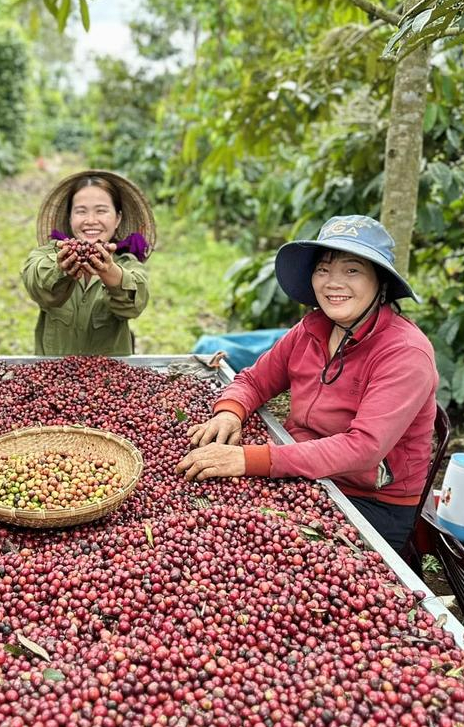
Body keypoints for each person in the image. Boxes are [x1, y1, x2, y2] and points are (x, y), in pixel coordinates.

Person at [177, 215, 438, 551]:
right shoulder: (312, 327)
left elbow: (362, 449)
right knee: (208, 527)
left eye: (352, 270)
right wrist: (229, 412)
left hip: (367, 500)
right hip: (300, 471)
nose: (333, 282)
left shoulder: (405, 353)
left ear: (381, 283)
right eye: (324, 269)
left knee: (251, 549)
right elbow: (256, 379)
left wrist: (248, 459)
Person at [21, 170, 155, 356]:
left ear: (118, 218)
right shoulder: (49, 254)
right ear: (70, 218)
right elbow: (36, 282)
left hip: (109, 379)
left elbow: (134, 304)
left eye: (101, 211)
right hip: (54, 377)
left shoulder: (127, 263)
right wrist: (61, 268)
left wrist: (110, 272)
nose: (91, 221)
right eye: (81, 211)